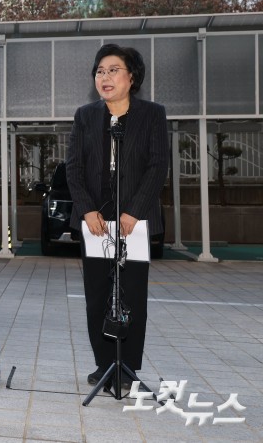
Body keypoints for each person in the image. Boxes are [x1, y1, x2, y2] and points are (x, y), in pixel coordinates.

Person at [66, 44, 169, 391]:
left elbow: (158, 165)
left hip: (134, 220)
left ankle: (126, 365)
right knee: (96, 293)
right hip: (96, 219)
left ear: (132, 77)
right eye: (99, 71)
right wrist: (86, 209)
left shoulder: (152, 114)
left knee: (131, 294)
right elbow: (74, 168)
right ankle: (104, 363)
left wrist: (135, 211)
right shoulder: (85, 115)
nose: (104, 77)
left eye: (113, 70)